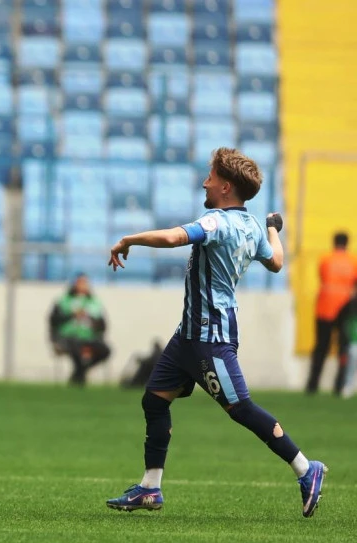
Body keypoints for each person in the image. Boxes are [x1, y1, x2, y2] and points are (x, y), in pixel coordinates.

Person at [104, 147, 327, 518]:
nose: (205, 181)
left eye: (210, 176)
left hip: (210, 338)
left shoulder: (216, 222)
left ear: (225, 187)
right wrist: (272, 227)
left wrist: (129, 239)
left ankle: (306, 469)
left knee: (241, 408)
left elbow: (176, 238)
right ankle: (150, 488)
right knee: (154, 400)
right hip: (187, 337)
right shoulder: (252, 226)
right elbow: (276, 262)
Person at [306, 231, 356, 395]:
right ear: (347, 243)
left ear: (334, 242)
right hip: (345, 309)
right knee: (344, 348)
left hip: (325, 307)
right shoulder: (353, 261)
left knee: (321, 347)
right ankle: (339, 386)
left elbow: (321, 276)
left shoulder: (325, 259)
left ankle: (312, 385)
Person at [48, 273, 111, 386]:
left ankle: (80, 373)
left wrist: (90, 319)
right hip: (68, 336)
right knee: (76, 348)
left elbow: (102, 325)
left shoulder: (94, 303)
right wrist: (73, 315)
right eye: (80, 283)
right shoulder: (64, 301)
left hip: (89, 337)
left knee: (105, 350)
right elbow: (54, 321)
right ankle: (79, 376)